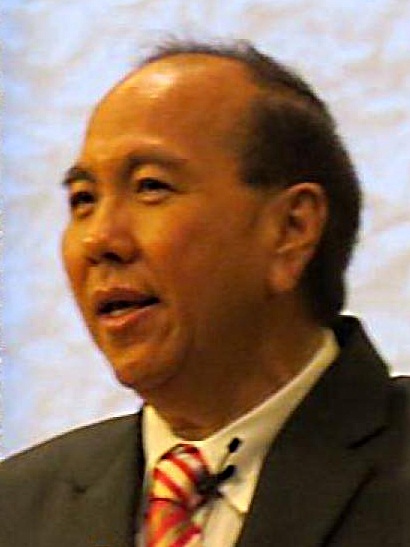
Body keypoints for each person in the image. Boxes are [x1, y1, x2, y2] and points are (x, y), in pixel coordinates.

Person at [1, 39, 409, 547]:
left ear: (292, 229)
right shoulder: (17, 509)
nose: (98, 240)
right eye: (83, 199)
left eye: (151, 186)